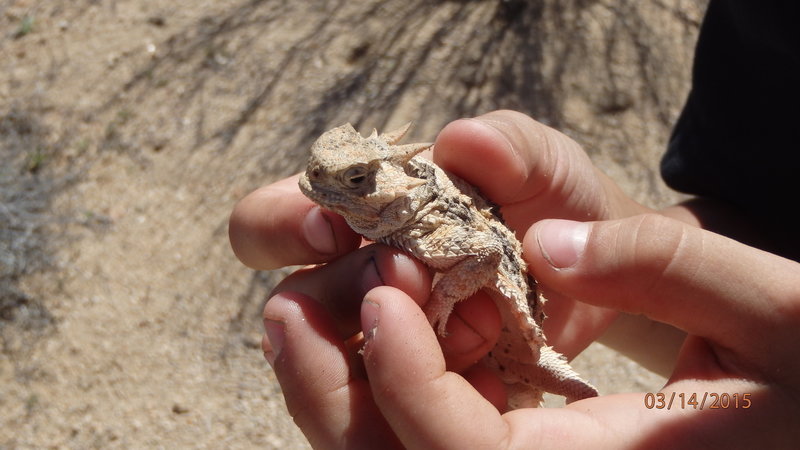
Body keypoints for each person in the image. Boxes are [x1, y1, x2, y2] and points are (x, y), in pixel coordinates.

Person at [229, 2, 800, 448]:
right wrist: (611, 250)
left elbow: (483, 256)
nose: (323, 184)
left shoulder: (429, 220)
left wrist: (444, 299)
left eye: (355, 180)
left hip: (522, 334)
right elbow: (751, 216)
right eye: (323, 170)